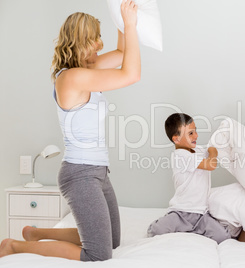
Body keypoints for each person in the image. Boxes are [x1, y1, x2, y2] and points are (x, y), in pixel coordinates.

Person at [0, 0, 140, 261]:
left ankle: (36, 232)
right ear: (81, 41)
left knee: (113, 241)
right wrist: (131, 25)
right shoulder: (71, 78)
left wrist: (122, 20)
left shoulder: (87, 70)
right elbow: (131, 74)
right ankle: (15, 246)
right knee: (98, 252)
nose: (100, 44)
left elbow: (123, 52)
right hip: (80, 174)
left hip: (98, 171)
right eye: (96, 38)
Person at [147, 113, 231, 244]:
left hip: (201, 214)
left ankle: (193, 229)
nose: (196, 136)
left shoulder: (197, 150)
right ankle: (177, 226)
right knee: (157, 231)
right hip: (181, 212)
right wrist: (213, 151)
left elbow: (210, 151)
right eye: (190, 133)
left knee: (223, 237)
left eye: (195, 131)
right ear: (176, 139)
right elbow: (211, 164)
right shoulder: (180, 156)